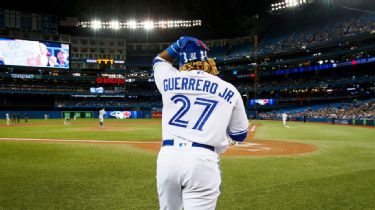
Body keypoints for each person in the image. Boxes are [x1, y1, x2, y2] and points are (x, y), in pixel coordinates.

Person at [153, 36, 248, 210]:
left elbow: (159, 59)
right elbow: (239, 134)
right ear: (207, 60)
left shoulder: (168, 78)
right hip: (203, 160)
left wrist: (178, 44)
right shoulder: (229, 89)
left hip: (168, 158)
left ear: (182, 60)